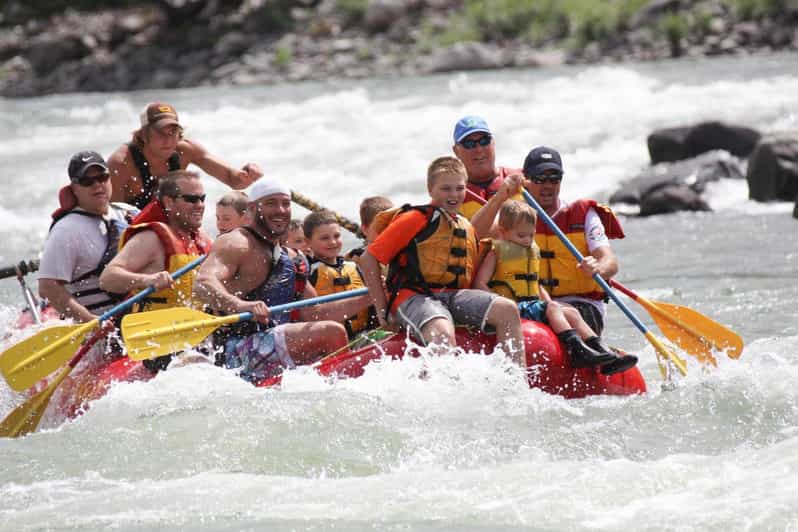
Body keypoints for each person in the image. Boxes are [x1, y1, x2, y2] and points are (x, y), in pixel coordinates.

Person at [193, 179, 373, 384]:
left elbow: (314, 313)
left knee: (330, 328)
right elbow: (203, 283)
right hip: (233, 351)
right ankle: (340, 389)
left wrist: (370, 296)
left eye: (285, 204)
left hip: (270, 342)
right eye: (271, 203)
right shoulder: (236, 242)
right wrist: (241, 305)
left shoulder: (293, 259)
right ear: (252, 208)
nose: (280, 210)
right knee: (332, 333)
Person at [358, 156, 526, 366]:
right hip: (413, 297)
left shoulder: (461, 223)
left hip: (452, 296)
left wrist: (502, 196)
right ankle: (447, 395)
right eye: (446, 189)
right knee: (442, 330)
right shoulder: (415, 218)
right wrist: (383, 315)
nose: (454, 195)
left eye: (459, 188)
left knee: (507, 310)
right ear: (431, 190)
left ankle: (515, 387)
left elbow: (478, 232)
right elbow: (368, 259)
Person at [471, 146, 626, 336]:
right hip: (532, 304)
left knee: (560, 315)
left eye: (554, 178)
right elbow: (473, 235)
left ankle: (591, 351)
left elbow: (610, 261)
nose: (548, 185)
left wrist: (598, 268)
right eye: (539, 178)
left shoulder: (584, 214)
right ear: (526, 180)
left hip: (582, 306)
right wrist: (500, 197)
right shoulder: (516, 216)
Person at [473, 201, 637, 375]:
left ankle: (601, 350)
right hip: (512, 308)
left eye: (531, 235)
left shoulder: (529, 251)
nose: (527, 241)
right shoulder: (495, 252)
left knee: (571, 312)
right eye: (521, 236)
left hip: (529, 306)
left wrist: (551, 304)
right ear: (503, 232)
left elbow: (536, 284)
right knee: (554, 308)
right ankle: (576, 350)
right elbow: (480, 283)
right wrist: (500, 305)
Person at [38, 151, 138, 323]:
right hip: (103, 329)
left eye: (102, 177)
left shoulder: (129, 213)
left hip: (142, 317)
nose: (97, 185)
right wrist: (91, 321)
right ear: (75, 188)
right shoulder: (66, 230)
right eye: (87, 181)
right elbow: (48, 287)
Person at [107, 102, 263, 209]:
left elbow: (233, 180)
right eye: (160, 133)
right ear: (142, 135)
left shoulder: (186, 151)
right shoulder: (121, 163)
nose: (168, 140)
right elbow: (113, 219)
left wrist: (247, 175)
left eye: (173, 132)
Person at [304, 210, 374, 338]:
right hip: (332, 340)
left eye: (337, 236)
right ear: (307, 242)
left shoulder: (354, 266)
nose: (333, 242)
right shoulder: (308, 273)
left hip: (365, 333)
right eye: (325, 238)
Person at [451, 115, 522, 220]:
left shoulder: (524, 180)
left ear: (493, 142)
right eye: (469, 144)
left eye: (484, 141)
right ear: (456, 151)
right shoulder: (450, 196)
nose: (479, 149)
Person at [345, 195, 394, 262]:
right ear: (365, 230)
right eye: (381, 227)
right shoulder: (354, 262)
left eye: (392, 225)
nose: (388, 232)